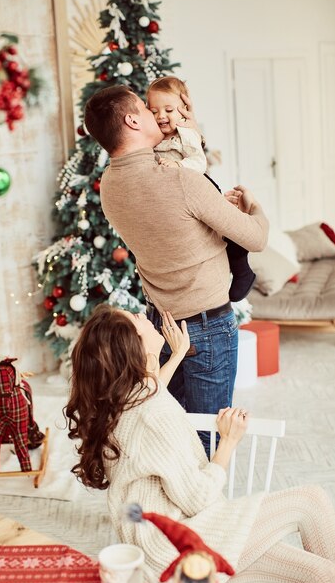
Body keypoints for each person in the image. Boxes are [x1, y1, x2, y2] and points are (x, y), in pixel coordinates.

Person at [65, 304, 335, 583]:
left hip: (158, 546)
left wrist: (176, 354)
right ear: (134, 345)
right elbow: (198, 497)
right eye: (136, 320)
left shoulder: (117, 402)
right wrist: (229, 441)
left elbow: (152, 391)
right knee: (312, 501)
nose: (142, 315)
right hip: (183, 547)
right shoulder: (153, 413)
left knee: (322, 576)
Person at [84, 85, 269, 454]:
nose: (156, 115)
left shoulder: (110, 185)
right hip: (208, 327)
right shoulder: (181, 180)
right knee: (207, 435)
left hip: (161, 326)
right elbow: (256, 238)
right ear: (133, 120)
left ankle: (173, 505)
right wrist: (253, 207)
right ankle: (201, 507)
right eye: (145, 107)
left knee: (172, 428)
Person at [146, 75, 256, 303]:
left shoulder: (186, 133)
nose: (161, 116)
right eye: (154, 111)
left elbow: (199, 162)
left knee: (226, 227)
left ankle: (242, 270)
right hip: (181, 196)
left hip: (201, 186)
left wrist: (178, 165)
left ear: (184, 110)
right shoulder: (155, 137)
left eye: (168, 109)